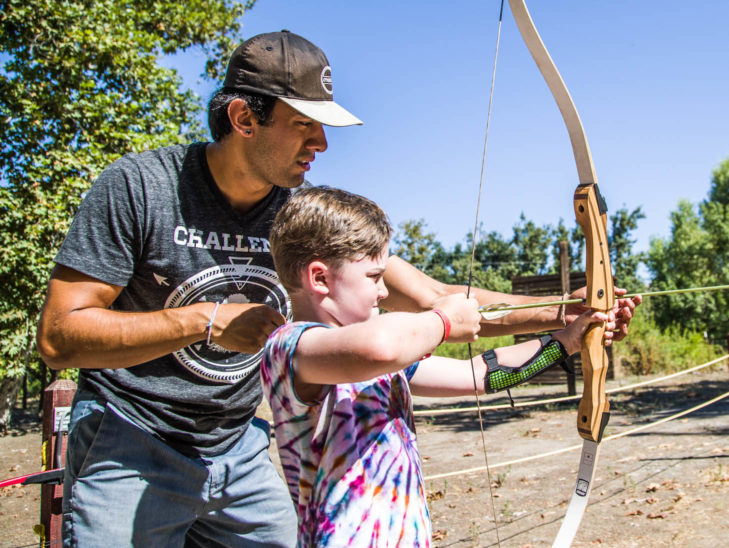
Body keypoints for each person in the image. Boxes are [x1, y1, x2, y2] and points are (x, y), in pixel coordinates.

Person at [35, 30, 639, 546]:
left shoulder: (302, 220)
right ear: (245, 118)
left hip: (237, 444)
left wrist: (571, 318)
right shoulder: (141, 188)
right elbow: (61, 338)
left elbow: (441, 304)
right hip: (132, 438)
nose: (321, 145)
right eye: (304, 126)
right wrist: (207, 321)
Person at [260, 186, 612, 546]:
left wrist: (568, 340)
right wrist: (444, 320)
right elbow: (379, 346)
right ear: (319, 278)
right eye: (373, 277)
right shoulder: (291, 347)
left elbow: (477, 374)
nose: (383, 292)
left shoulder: (386, 361)